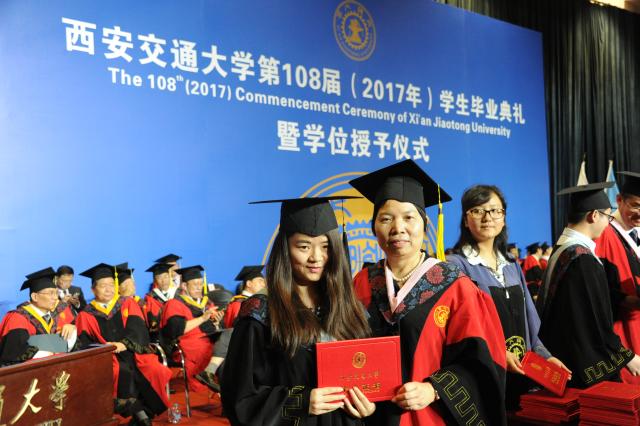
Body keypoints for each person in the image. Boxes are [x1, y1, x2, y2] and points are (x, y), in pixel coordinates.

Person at [349, 160, 507, 426]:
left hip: (430, 418)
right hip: (370, 418)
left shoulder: (455, 286)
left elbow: (482, 363)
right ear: (374, 226)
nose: (398, 228)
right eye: (386, 218)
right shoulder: (361, 283)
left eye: (409, 218)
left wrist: (434, 389)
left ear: (425, 224)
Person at [221, 196, 375, 425]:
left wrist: (369, 407)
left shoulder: (350, 307)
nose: (316, 257)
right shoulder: (261, 313)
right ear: (285, 249)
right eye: (304, 247)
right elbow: (239, 396)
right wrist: (300, 402)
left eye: (325, 247)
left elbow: (369, 377)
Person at [447, 185, 570, 410]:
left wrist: (545, 357)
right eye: (478, 211)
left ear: (503, 218)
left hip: (522, 373)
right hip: (484, 374)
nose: (487, 217)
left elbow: (530, 324)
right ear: (465, 220)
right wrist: (497, 353)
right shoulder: (457, 266)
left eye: (495, 210)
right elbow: (462, 327)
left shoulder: (512, 266)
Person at [537, 183, 640, 388]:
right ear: (594, 215)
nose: (608, 223)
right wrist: (625, 356)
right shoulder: (582, 260)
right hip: (577, 361)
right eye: (608, 217)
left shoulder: (564, 249)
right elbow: (592, 319)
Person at [75, 263, 171, 425]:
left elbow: (138, 328)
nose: (108, 289)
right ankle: (140, 415)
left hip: (133, 350)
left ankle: (143, 414)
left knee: (153, 369)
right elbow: (84, 343)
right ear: (93, 290)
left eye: (111, 285)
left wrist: (124, 344)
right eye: (103, 286)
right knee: (123, 371)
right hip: (108, 356)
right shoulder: (86, 314)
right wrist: (106, 348)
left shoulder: (127, 303)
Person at [595, 171, 640, 384]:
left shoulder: (636, 233)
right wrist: (627, 300)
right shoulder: (604, 234)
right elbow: (597, 290)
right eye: (636, 206)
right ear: (619, 200)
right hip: (623, 331)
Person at [160, 265, 226, 393]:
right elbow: (176, 330)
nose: (199, 287)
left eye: (201, 284)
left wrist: (216, 322)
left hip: (208, 340)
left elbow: (210, 328)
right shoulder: (174, 304)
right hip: (187, 345)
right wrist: (203, 318)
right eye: (195, 284)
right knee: (215, 350)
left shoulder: (207, 302)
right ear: (184, 286)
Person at [0, 267, 76, 364]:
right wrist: (50, 351)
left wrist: (72, 329)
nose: (55, 298)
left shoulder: (56, 317)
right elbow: (14, 353)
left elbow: (76, 347)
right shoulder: (17, 318)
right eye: (50, 293)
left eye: (56, 293)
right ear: (35, 297)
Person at [143, 262, 175, 339]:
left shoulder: (178, 293)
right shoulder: (150, 297)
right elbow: (152, 321)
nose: (163, 281)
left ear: (170, 277)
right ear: (155, 281)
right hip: (162, 335)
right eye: (159, 278)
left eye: (166, 276)